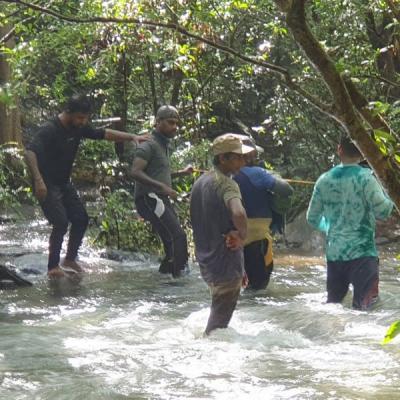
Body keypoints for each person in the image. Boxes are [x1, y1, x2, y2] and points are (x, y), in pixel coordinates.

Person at [25, 94, 148, 279]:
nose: (83, 122)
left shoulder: (78, 127)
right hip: (46, 182)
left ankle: (70, 259)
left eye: (85, 118)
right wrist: (38, 180)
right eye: (80, 118)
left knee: (81, 218)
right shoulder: (50, 129)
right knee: (60, 221)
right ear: (69, 112)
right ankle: (52, 267)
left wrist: (132, 137)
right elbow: (30, 152)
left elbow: (104, 134)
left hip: (63, 182)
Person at [306, 135, 394, 310]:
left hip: (335, 256)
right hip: (362, 254)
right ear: (363, 154)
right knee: (365, 309)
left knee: (333, 306)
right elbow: (383, 211)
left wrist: (331, 227)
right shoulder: (366, 178)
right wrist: (390, 194)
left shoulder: (323, 180)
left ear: (339, 150)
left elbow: (312, 218)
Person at [190, 133, 254, 335]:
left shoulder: (200, 182)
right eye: (238, 157)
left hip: (207, 261)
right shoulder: (226, 183)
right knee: (217, 327)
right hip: (225, 259)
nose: (243, 162)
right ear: (222, 158)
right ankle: (206, 357)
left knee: (217, 314)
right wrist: (242, 236)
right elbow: (238, 212)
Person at [130, 105, 192, 278]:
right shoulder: (149, 145)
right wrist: (161, 187)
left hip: (158, 197)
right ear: (158, 122)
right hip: (150, 198)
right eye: (170, 122)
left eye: (176, 123)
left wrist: (181, 173)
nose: (175, 127)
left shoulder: (162, 145)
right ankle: (178, 279)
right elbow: (135, 172)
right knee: (177, 236)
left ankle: (166, 280)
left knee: (171, 240)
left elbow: (158, 174)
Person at [234, 138, 293, 290]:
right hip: (256, 238)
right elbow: (287, 190)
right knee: (258, 288)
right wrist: (273, 176)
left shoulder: (224, 175)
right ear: (248, 155)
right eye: (254, 154)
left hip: (232, 238)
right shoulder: (258, 173)